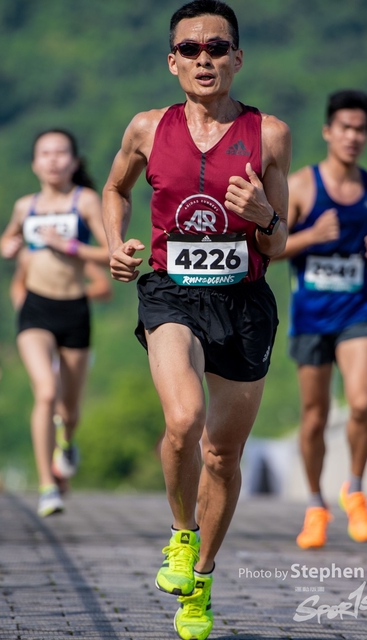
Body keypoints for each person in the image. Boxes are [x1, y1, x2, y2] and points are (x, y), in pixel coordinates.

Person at [102, 2, 290, 638]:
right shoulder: (146, 128)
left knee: (222, 454)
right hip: (170, 292)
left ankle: (201, 580)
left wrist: (263, 215)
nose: (203, 58)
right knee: (183, 420)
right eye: (191, 49)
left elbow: (277, 243)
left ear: (238, 57)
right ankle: (181, 535)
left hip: (244, 301)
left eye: (217, 47)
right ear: (172, 61)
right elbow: (115, 190)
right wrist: (114, 244)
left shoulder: (270, 135)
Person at [275, 90, 367, 549]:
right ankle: (315, 505)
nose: (353, 136)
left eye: (360, 129)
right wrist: (310, 237)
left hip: (358, 309)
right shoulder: (303, 186)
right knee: (315, 415)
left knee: (361, 402)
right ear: (328, 131)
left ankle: (356, 491)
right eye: (345, 127)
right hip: (311, 316)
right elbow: (271, 247)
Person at [0, 129, 110, 517]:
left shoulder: (85, 201)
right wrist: (9, 246)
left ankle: (67, 440)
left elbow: (110, 252)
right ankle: (48, 485)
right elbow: (6, 242)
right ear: (34, 163)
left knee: (70, 409)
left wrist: (70, 246)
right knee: (46, 392)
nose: (53, 160)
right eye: (45, 153)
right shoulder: (24, 206)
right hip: (35, 310)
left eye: (61, 152)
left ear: (74, 162)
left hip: (74, 309)